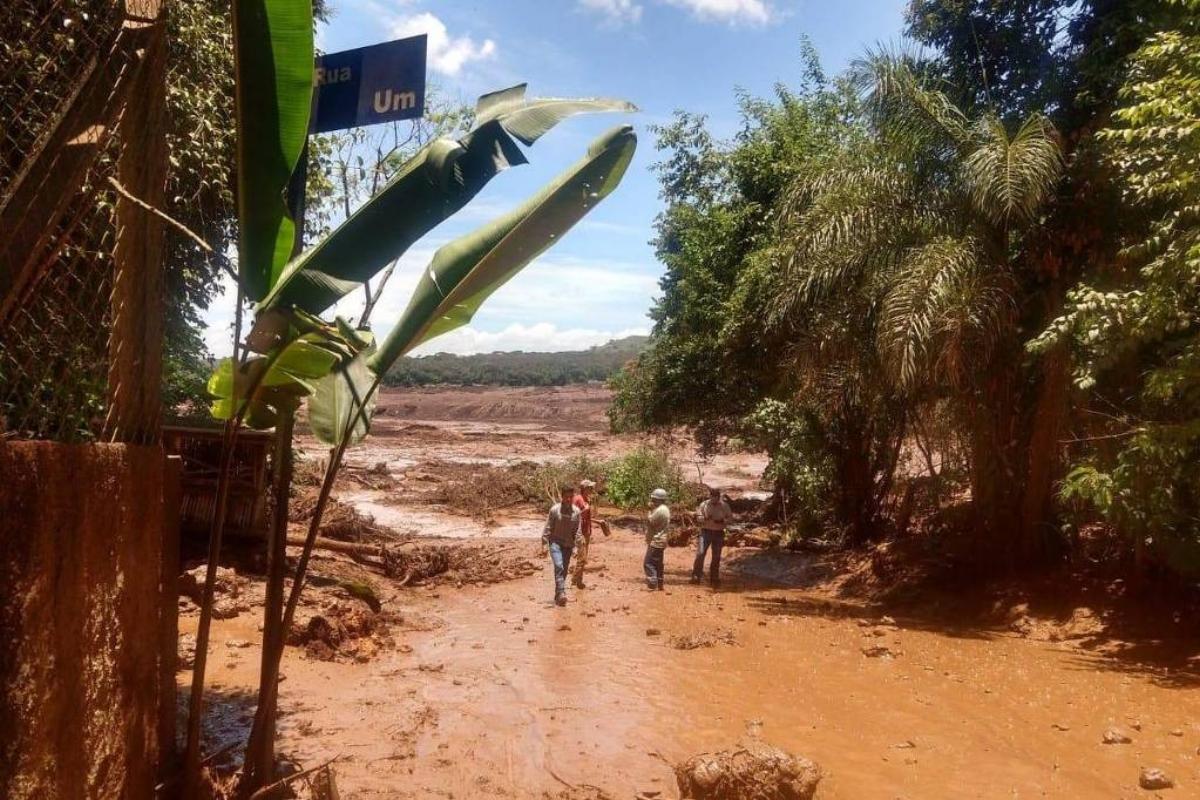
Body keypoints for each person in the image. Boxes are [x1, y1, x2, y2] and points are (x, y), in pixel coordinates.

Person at [541, 484, 581, 606]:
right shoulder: (554, 510)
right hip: (555, 543)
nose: (568, 499)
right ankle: (562, 592)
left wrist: (578, 548)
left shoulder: (576, 512)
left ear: (573, 497)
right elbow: (548, 528)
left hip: (568, 545)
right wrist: (544, 544)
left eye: (571, 497)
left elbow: (577, 532)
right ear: (562, 497)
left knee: (563, 571)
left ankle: (558, 594)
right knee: (559, 566)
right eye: (566, 497)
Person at [571, 479, 610, 589]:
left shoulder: (586, 499)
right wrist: (584, 510)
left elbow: (586, 518)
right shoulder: (577, 499)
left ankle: (579, 581)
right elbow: (573, 515)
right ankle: (575, 581)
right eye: (590, 488)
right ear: (584, 488)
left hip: (586, 531)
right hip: (580, 532)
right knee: (582, 557)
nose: (592, 489)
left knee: (584, 558)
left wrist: (598, 521)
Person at [693, 486, 733, 587]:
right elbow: (698, 517)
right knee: (700, 553)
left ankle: (714, 578)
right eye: (712, 496)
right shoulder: (704, 505)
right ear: (710, 496)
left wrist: (722, 521)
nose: (714, 499)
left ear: (718, 497)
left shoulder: (724, 506)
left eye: (716, 497)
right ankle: (696, 575)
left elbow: (730, 519)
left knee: (716, 556)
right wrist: (704, 518)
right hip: (705, 532)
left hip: (718, 533)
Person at [644, 488, 670, 590]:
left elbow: (650, 521)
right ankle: (660, 583)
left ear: (660, 500)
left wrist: (649, 511)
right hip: (661, 540)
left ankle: (653, 581)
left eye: (654, 499)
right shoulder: (664, 509)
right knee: (658, 563)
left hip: (656, 540)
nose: (652, 501)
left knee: (648, 563)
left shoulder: (660, 510)